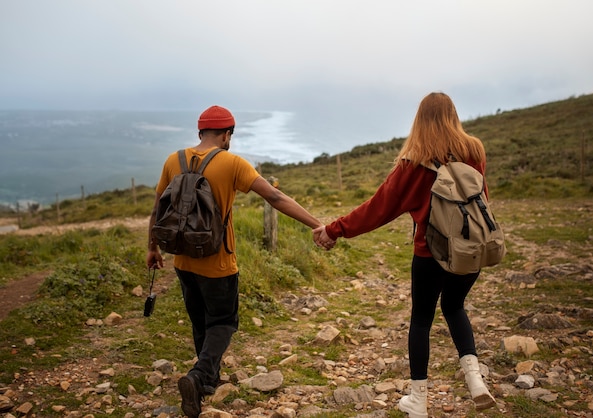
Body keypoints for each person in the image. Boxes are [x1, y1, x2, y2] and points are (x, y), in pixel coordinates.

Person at [313, 92, 497, 417]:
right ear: (453, 116)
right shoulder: (475, 151)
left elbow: (377, 210)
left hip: (431, 254)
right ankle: (475, 379)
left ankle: (419, 401)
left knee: (422, 321)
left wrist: (334, 230)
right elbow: (480, 198)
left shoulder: (413, 163)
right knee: (455, 307)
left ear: (420, 120)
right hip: (471, 250)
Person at [146, 105, 324, 418]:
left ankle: (207, 380)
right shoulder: (232, 163)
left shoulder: (173, 160)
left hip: (183, 260)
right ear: (227, 134)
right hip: (218, 261)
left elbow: (157, 208)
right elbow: (275, 198)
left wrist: (153, 249)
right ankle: (199, 376)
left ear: (200, 132)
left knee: (201, 321)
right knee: (224, 322)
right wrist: (317, 224)